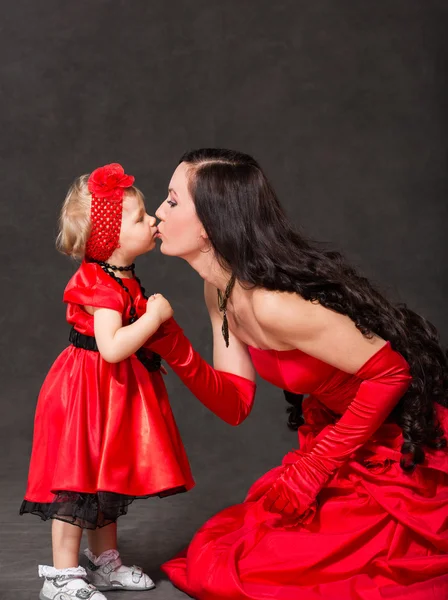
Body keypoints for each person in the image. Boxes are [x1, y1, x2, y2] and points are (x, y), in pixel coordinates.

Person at [145, 148, 448, 600]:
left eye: (171, 201)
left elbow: (392, 373)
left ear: (208, 224)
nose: (157, 212)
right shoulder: (220, 290)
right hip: (343, 438)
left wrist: (317, 466)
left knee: (268, 573)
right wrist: (173, 345)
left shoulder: (274, 304)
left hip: (400, 441)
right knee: (234, 553)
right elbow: (234, 404)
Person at [20, 163, 194, 600]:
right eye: (140, 219)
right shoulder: (102, 286)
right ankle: (60, 577)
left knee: (105, 477)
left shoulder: (121, 275)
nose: (153, 219)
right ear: (110, 238)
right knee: (76, 481)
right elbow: (113, 347)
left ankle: (104, 562)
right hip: (85, 392)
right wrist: (154, 317)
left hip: (109, 390)